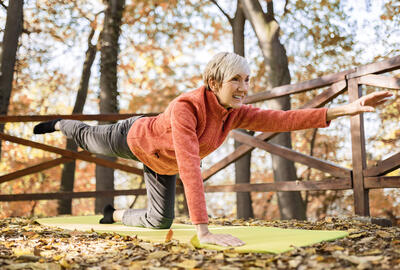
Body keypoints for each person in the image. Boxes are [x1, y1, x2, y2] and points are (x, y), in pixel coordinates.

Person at [33, 52, 392, 247]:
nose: (244, 87)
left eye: (247, 79)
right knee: (88, 138)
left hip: (163, 165)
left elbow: (285, 118)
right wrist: (204, 230)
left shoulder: (235, 113)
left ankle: (114, 215)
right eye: (236, 79)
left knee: (159, 222)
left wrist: (346, 108)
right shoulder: (185, 108)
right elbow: (191, 164)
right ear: (213, 82)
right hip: (133, 137)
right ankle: (62, 124)